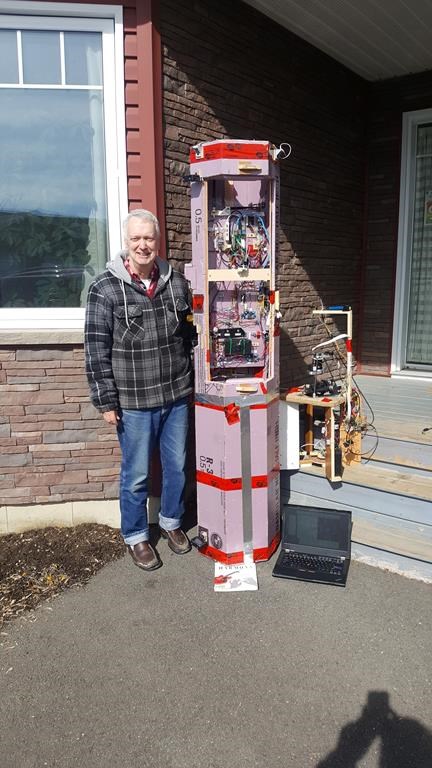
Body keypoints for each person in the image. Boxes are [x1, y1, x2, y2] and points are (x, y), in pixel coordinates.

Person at [84, 209, 193, 571]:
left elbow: (188, 336)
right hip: (132, 402)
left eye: (149, 238)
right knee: (136, 475)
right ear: (126, 244)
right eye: (136, 239)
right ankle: (134, 535)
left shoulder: (176, 282)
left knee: (176, 467)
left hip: (175, 395)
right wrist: (105, 400)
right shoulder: (105, 287)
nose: (143, 245)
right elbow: (95, 347)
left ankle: (171, 522)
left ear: (156, 241)